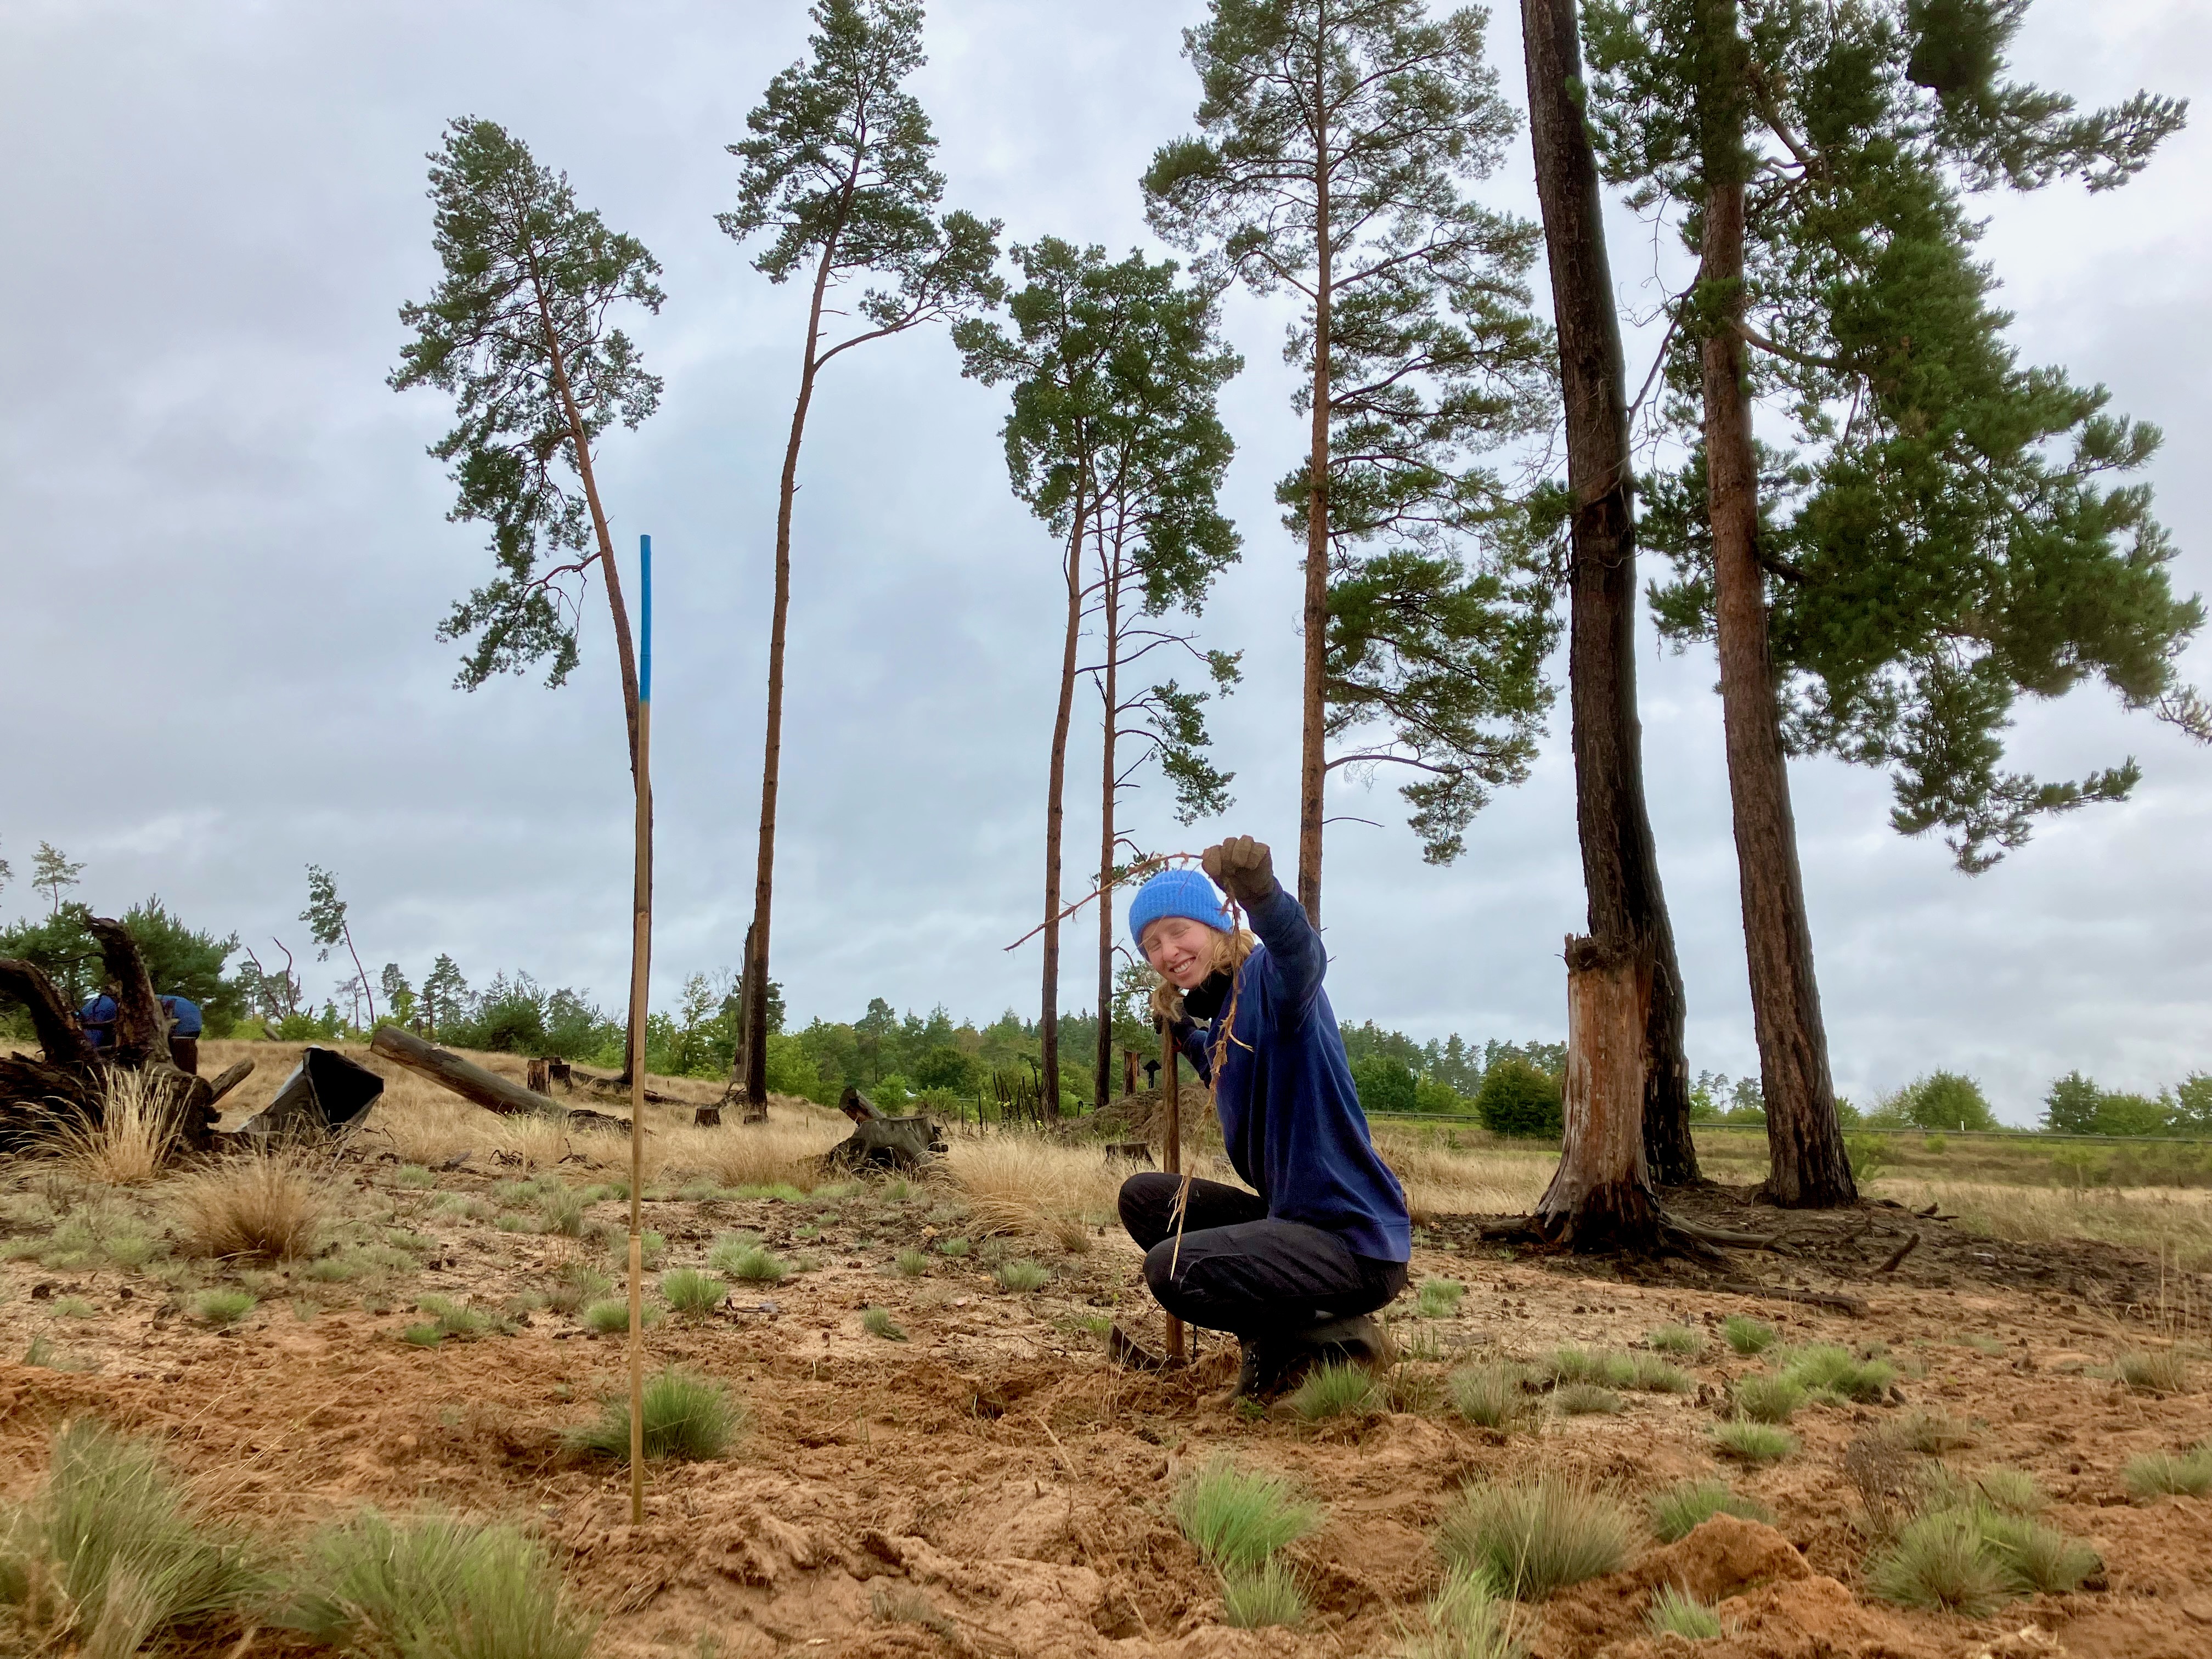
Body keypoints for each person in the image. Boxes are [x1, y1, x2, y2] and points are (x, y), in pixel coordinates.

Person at [1111, 835, 1412, 1401]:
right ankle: (1304, 1334)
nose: (1168, 951)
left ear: (1217, 925)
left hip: (1351, 1240)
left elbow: (1302, 956)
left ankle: (1328, 1341)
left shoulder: (1270, 983)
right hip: (1293, 1222)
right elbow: (1224, 1063)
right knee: (1147, 1200)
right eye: (1152, 944)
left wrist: (1265, 898)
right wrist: (1184, 1032)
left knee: (1172, 1270)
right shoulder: (1227, 1012)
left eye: (1179, 931)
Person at [160, 994, 204, 1075]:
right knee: (188, 1065)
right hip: (193, 1028)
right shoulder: (182, 1003)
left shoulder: (150, 1001)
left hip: (178, 1029)